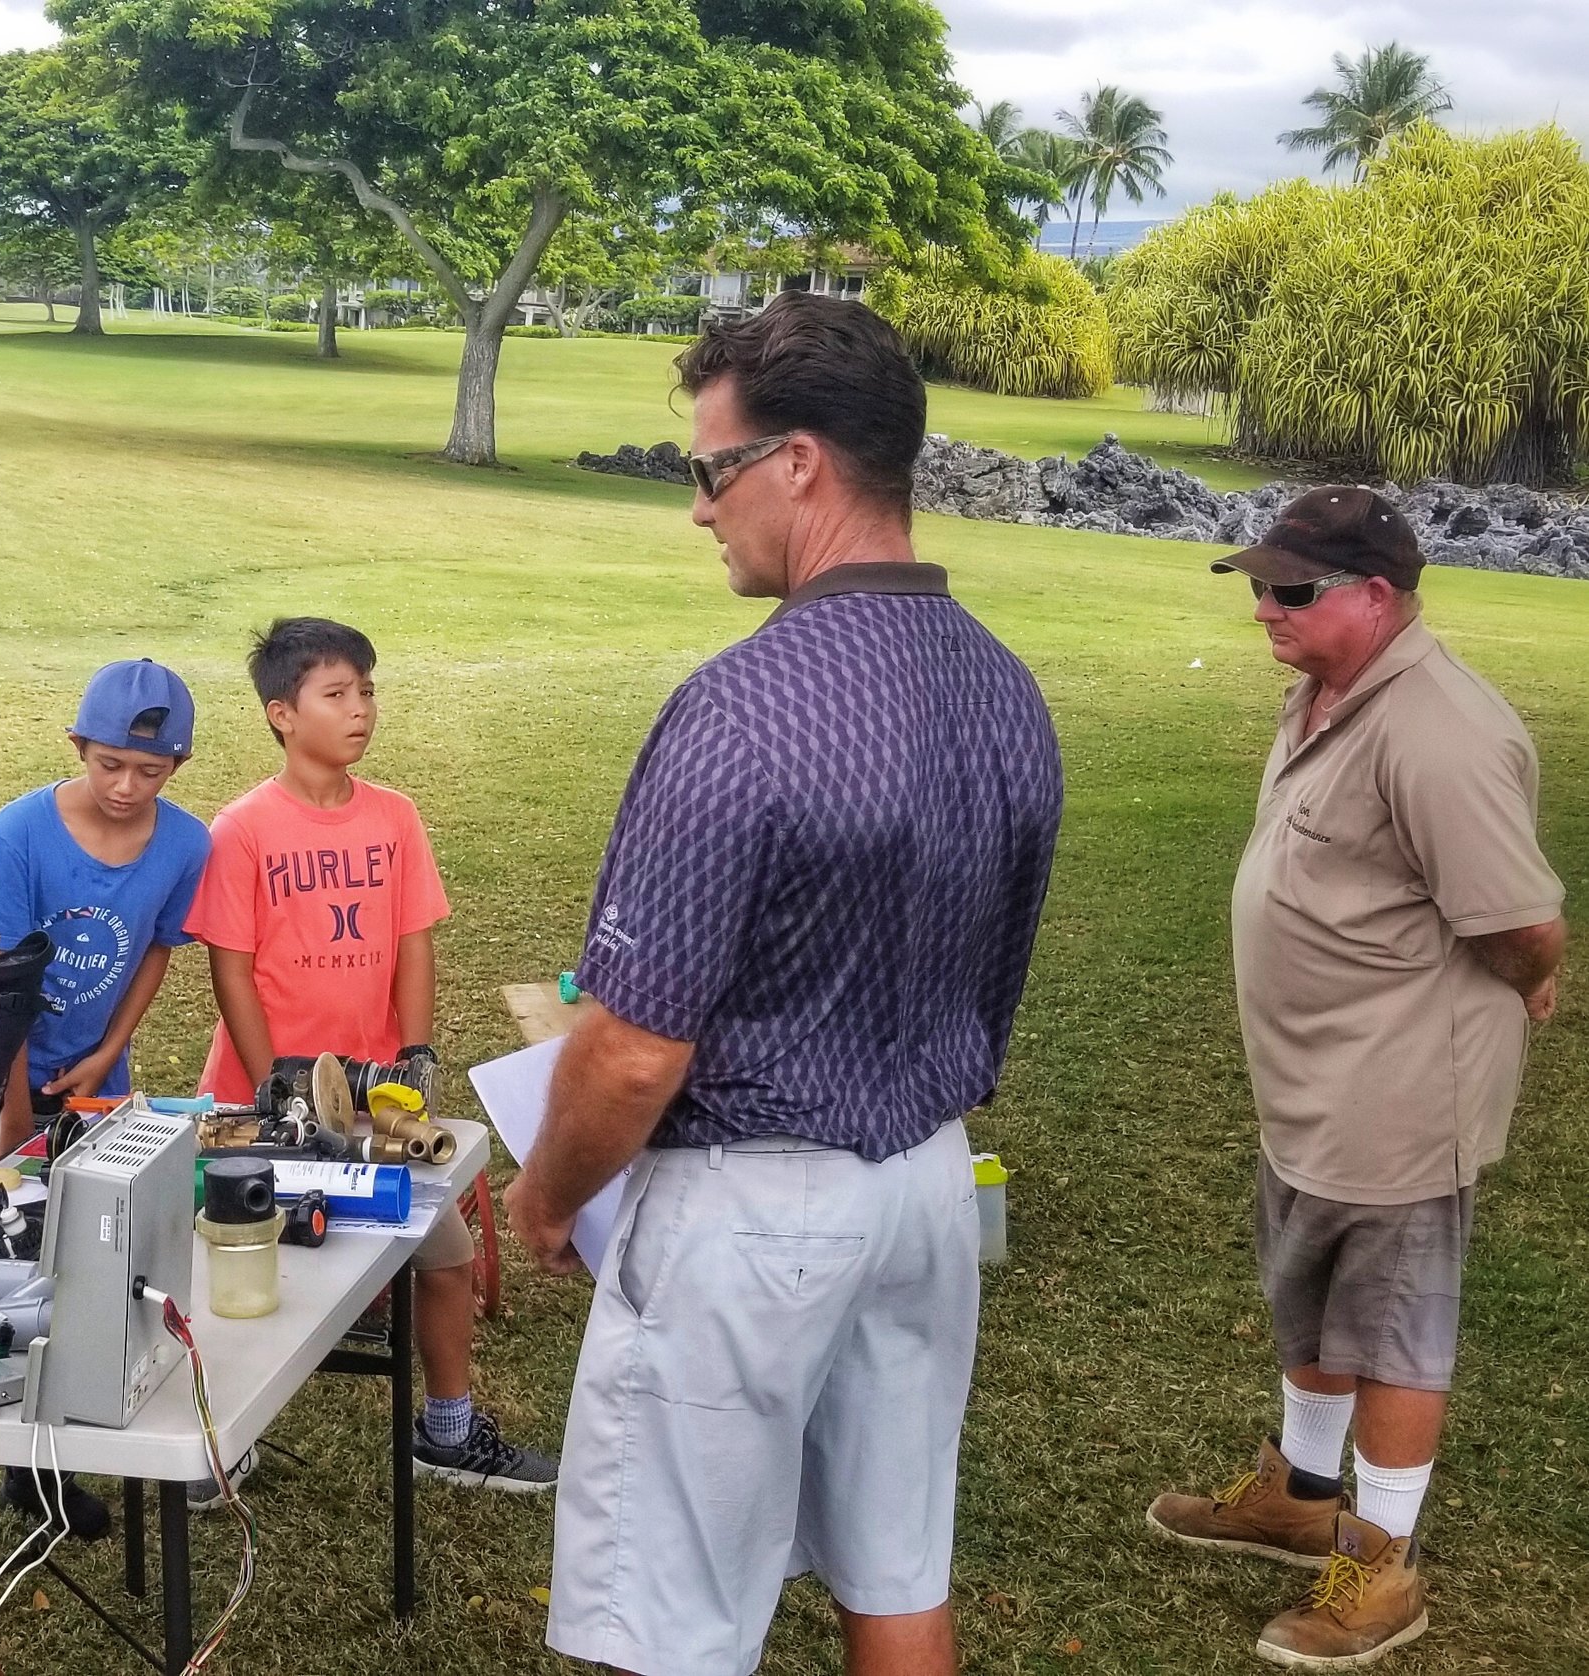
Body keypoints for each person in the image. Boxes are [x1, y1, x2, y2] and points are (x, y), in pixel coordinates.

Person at [505, 293, 1064, 1676]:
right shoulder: (1008, 690)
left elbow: (633, 1053)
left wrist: (546, 1193)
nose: (702, 509)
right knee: (898, 1569)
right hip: (928, 1183)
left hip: (751, 1210)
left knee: (671, 1618)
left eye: (713, 471)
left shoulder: (744, 706)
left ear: (799, 462)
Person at [1146, 488, 1566, 1667]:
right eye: (1258, 585)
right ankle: (1297, 1493)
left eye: (1292, 589)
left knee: (1389, 1331)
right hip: (1314, 1084)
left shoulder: (1440, 729)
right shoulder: (1331, 691)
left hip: (1397, 1091)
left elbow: (1524, 923)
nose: (1263, 608)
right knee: (1313, 1291)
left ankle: (1379, 1568)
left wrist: (1529, 982)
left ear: (1375, 598)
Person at [187, 616, 558, 1493]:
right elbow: (230, 970)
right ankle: (215, 1443)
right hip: (259, 1102)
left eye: (367, 691)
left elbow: (413, 947)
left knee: (445, 1255)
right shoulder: (242, 828)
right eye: (337, 694)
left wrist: (414, 1056)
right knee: (244, 1273)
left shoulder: (394, 818)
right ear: (282, 713)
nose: (360, 710)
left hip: (374, 1104)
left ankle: (448, 1430)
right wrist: (273, 1076)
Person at [0, 657, 211, 1536]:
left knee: (84, 1275)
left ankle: (42, 1474)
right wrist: (14, 1104)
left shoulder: (185, 843)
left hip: (96, 1090)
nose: (125, 785)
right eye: (109, 764)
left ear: (176, 768)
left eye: (149, 771)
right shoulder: (21, 832)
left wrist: (108, 1050)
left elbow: (156, 950)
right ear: (78, 746)